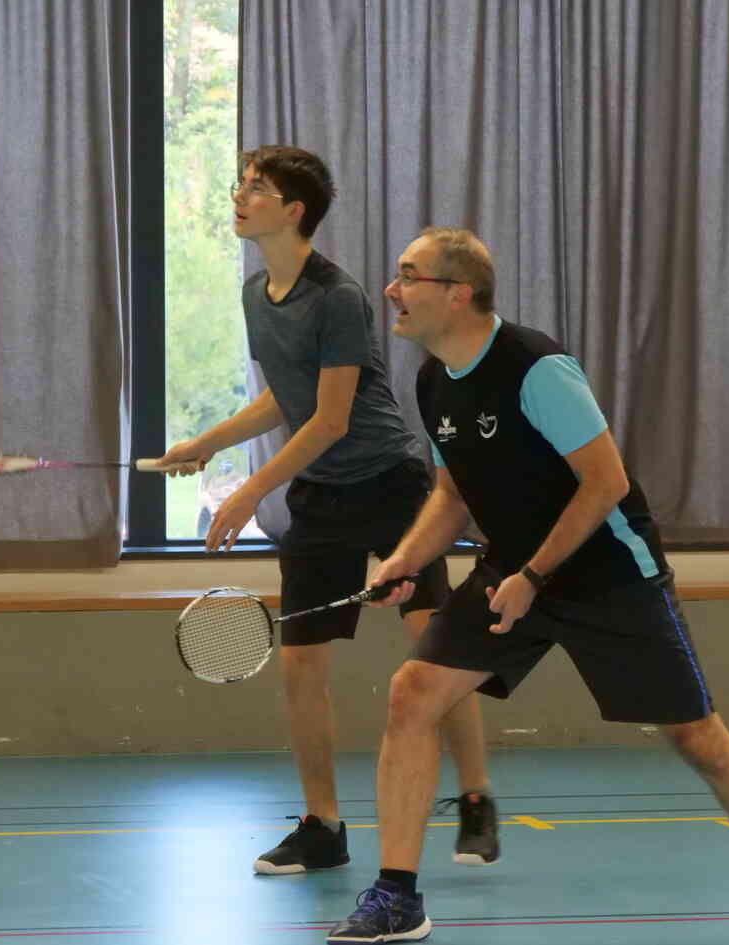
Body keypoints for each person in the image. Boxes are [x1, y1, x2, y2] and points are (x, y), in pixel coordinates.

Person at [325, 227, 729, 943]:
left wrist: (535, 575)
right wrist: (405, 559)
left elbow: (606, 482)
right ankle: (396, 896)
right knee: (413, 693)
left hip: (609, 574)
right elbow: (452, 494)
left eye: (408, 275)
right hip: (513, 569)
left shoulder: (537, 368)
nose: (391, 289)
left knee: (697, 737)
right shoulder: (433, 379)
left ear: (459, 293)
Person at [159, 150, 499, 875]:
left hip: (389, 485)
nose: (240, 195)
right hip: (320, 495)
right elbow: (285, 396)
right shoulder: (257, 294)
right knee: (299, 663)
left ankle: (475, 798)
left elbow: (332, 417)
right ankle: (323, 826)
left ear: (295, 212)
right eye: (240, 184)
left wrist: (251, 490)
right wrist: (206, 443)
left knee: (433, 647)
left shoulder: (337, 295)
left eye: (258, 188)